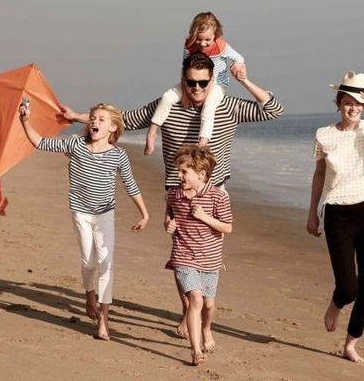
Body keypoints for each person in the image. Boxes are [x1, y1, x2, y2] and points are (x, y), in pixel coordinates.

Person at [62, 52, 283, 336]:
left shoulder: (226, 107)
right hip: (177, 195)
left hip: (214, 193)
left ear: (212, 80)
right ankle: (189, 308)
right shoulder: (167, 106)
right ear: (183, 80)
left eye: (204, 83)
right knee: (182, 257)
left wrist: (245, 80)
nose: (198, 89)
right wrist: (77, 116)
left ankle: (202, 317)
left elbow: (273, 110)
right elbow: (128, 118)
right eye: (192, 83)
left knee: (207, 258)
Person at [19, 101, 149, 341]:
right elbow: (40, 143)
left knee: (106, 262)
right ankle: (90, 295)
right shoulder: (76, 144)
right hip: (80, 212)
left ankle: (103, 319)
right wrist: (25, 121)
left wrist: (144, 213)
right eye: (93, 118)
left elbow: (131, 185)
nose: (94, 122)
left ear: (112, 127)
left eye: (101, 119)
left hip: (105, 214)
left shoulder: (118, 156)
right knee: (89, 261)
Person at [306, 71, 364, 363]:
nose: (354, 108)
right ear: (338, 103)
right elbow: (319, 174)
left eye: (359, 102)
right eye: (348, 102)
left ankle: (350, 344)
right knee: (348, 287)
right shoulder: (324, 135)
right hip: (337, 216)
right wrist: (313, 214)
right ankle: (337, 303)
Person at [165, 144, 233, 366]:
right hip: (184, 255)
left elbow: (227, 227)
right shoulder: (174, 194)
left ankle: (206, 328)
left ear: (201, 174)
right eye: (179, 170)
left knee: (209, 304)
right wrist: (169, 224)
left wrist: (204, 216)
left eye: (184, 171)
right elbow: (169, 216)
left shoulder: (217, 196)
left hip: (210, 258)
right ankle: (195, 351)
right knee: (195, 300)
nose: (179, 175)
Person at [144, 11, 246, 154]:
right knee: (167, 97)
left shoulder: (221, 46)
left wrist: (237, 65)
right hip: (192, 80)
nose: (202, 44)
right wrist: (185, 92)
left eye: (207, 40)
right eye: (199, 39)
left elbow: (239, 58)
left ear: (215, 35)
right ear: (193, 35)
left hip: (217, 83)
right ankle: (152, 132)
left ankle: (202, 143)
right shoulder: (189, 44)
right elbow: (184, 67)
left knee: (209, 107)